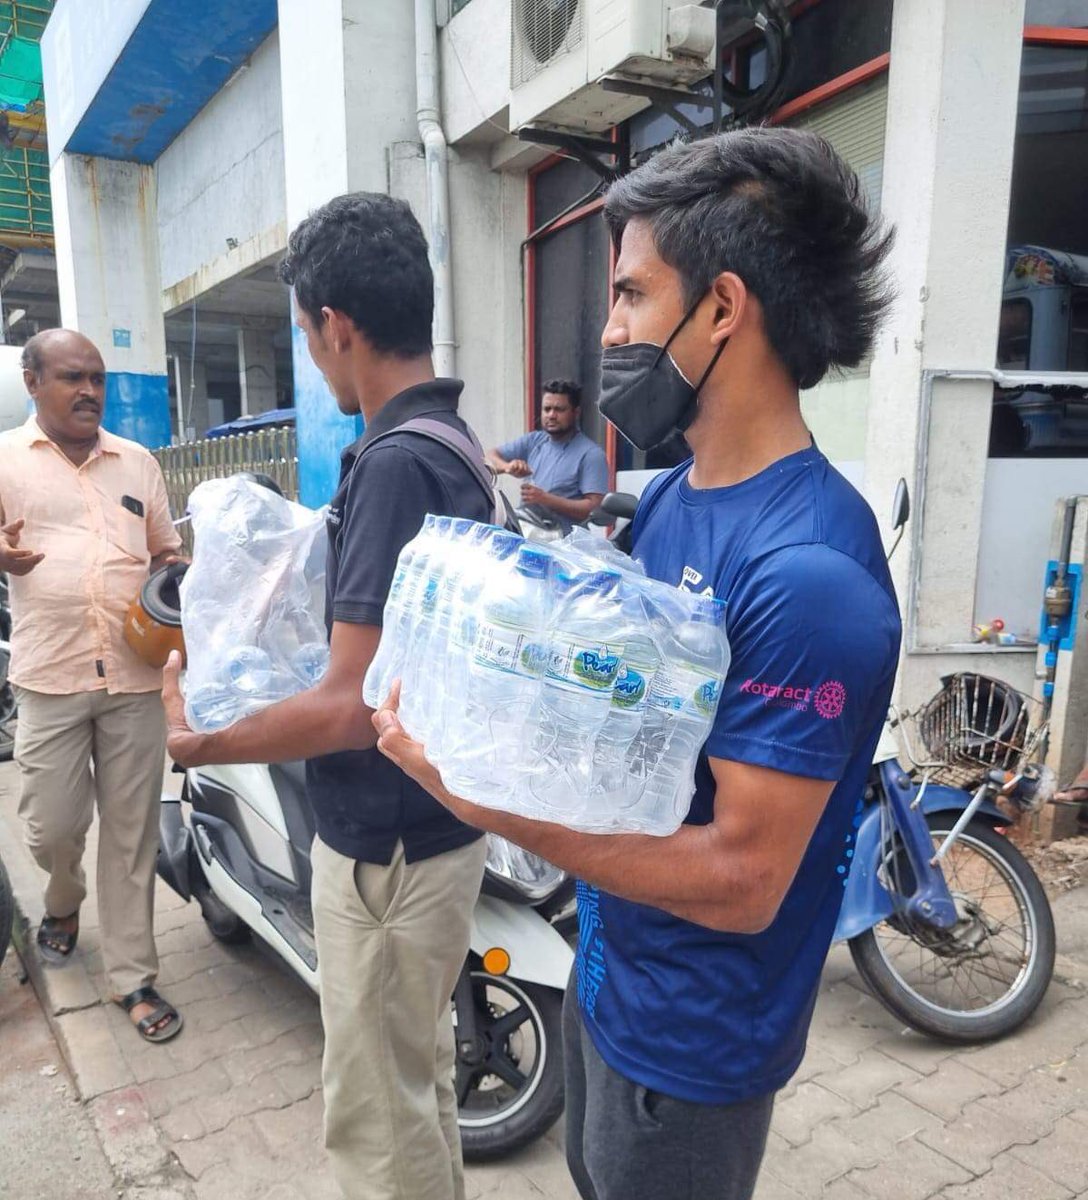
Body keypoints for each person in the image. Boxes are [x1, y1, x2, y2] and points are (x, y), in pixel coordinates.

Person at [371, 126, 902, 1200]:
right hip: (607, 983)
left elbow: (743, 880)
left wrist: (477, 797)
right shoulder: (664, 497)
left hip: (692, 1054)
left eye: (629, 296)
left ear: (721, 308)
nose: (606, 329)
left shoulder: (809, 576)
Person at [162, 193, 491, 1200]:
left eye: (305, 333)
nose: (311, 354)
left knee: (373, 1117)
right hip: (434, 831)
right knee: (417, 1079)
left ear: (335, 326)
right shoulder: (451, 446)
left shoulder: (395, 466)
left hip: (386, 851)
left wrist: (196, 742)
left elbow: (351, 705)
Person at [0, 329, 184, 1043]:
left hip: (135, 677)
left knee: (132, 836)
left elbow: (167, 551)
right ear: (33, 380)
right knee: (51, 827)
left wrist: (179, 572)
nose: (88, 391)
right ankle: (62, 894)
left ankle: (132, 975)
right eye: (72, 377)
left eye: (97, 379)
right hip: (50, 676)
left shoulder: (136, 463)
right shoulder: (7, 459)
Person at [486, 380, 608, 531]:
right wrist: (508, 467)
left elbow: (594, 508)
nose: (551, 415)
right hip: (528, 536)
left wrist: (545, 499)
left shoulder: (591, 454)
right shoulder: (534, 441)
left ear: (576, 412)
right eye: (547, 409)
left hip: (565, 546)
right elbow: (489, 457)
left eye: (559, 409)